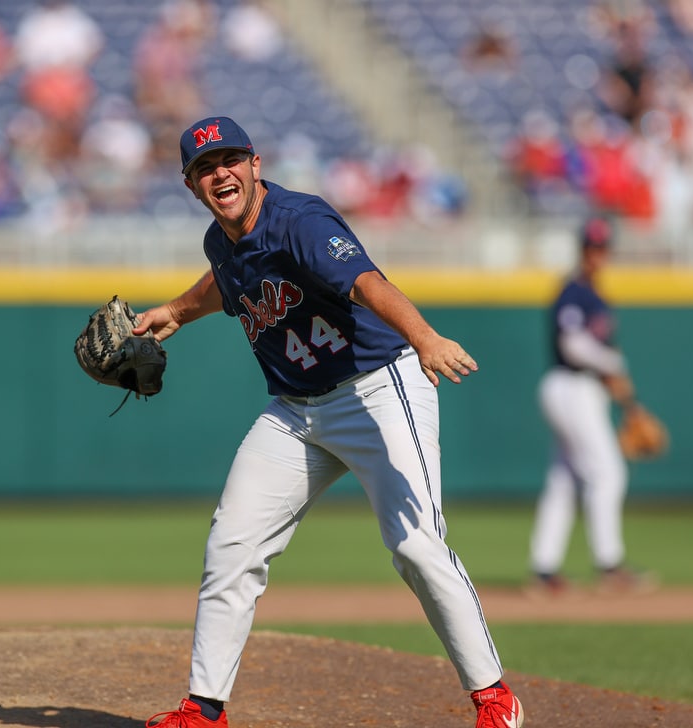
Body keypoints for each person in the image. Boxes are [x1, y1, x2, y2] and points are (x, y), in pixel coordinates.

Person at [135, 116, 525, 728]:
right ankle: (203, 709)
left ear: (255, 164)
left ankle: (494, 696)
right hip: (295, 411)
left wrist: (424, 337)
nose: (221, 173)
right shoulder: (221, 241)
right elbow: (226, 281)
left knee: (416, 547)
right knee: (232, 544)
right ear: (191, 186)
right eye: (206, 168)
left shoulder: (301, 219)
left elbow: (367, 281)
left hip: (377, 388)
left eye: (230, 159)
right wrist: (177, 312)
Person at [527, 215, 657, 597]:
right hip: (568, 387)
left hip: (585, 390)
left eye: (602, 248)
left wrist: (614, 380)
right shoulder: (573, 291)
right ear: (582, 249)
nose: (597, 254)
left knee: (564, 480)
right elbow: (573, 346)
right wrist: (614, 365)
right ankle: (609, 564)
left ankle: (544, 568)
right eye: (592, 247)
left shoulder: (596, 294)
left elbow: (596, 355)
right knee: (607, 473)